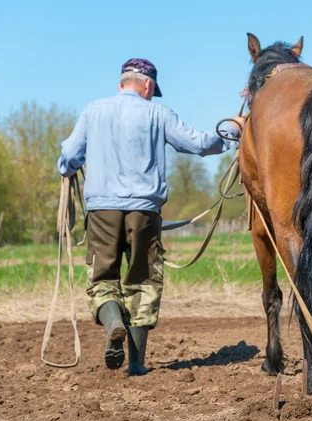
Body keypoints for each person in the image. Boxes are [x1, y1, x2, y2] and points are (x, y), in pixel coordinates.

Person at [57, 58, 243, 375]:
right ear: (148, 86)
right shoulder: (159, 113)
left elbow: (70, 157)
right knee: (142, 282)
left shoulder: (93, 110)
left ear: (120, 84)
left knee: (103, 278)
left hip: (102, 211)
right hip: (145, 212)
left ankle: (113, 321)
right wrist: (232, 130)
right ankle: (137, 364)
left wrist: (67, 169)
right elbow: (199, 144)